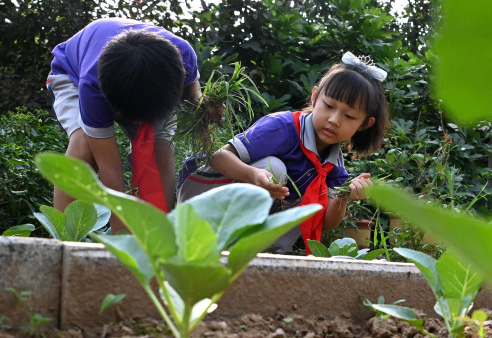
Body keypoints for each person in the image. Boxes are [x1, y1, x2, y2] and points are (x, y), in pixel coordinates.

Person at [177, 53, 390, 254]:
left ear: (364, 124)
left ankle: (267, 258)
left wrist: (345, 196)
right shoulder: (282, 127)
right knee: (275, 168)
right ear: (315, 97)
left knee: (305, 202)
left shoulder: (332, 163)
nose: (334, 119)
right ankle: (217, 246)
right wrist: (252, 175)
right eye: (329, 106)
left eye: (349, 116)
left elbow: (325, 222)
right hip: (200, 197)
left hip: (239, 217)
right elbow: (218, 156)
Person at [48, 18, 206, 231]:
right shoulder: (92, 87)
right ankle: (64, 238)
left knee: (159, 150)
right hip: (71, 75)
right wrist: (121, 237)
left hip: (150, 84)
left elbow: (192, 90)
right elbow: (110, 169)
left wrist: (204, 106)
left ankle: (161, 231)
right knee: (83, 147)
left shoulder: (182, 55)